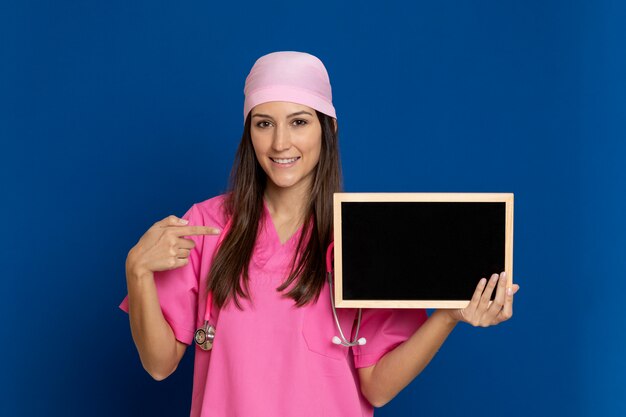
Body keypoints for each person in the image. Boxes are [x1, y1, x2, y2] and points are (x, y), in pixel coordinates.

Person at [118, 51, 520, 417]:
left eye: (298, 122)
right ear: (249, 133)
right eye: (264, 124)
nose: (280, 143)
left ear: (328, 129)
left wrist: (449, 316)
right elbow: (159, 364)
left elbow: (377, 389)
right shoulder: (207, 225)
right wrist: (137, 271)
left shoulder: (367, 235)